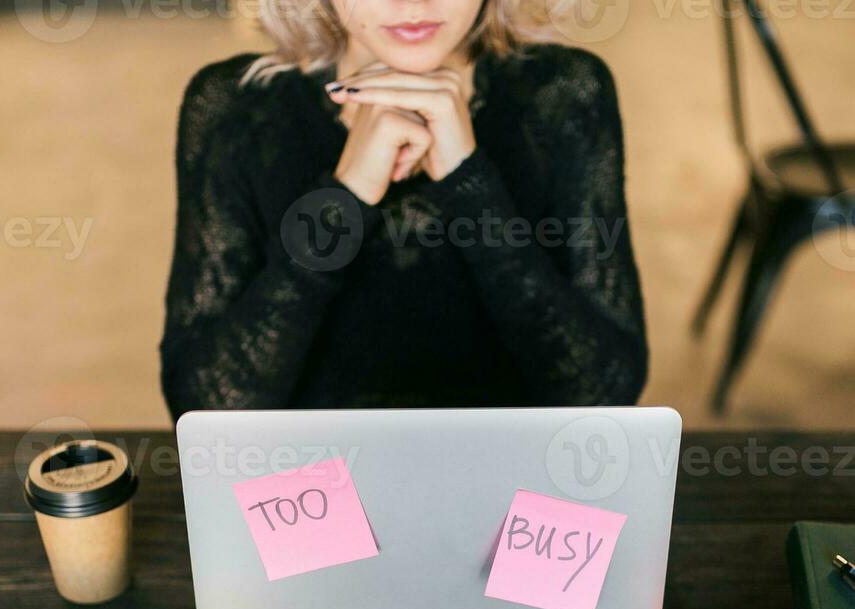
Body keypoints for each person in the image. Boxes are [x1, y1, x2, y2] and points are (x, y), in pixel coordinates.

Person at [161, 0, 648, 417]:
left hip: (510, 499)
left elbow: (605, 397)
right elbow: (205, 408)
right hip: (307, 505)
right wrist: (343, 198)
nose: (413, 1)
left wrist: (469, 181)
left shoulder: (566, 94)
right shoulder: (234, 107)